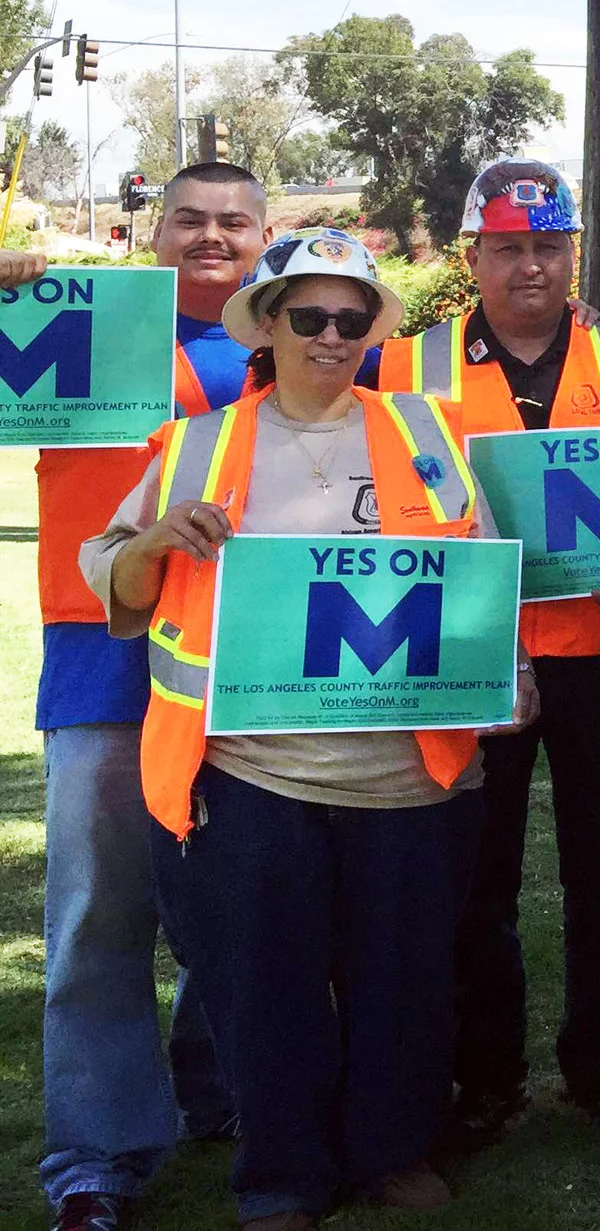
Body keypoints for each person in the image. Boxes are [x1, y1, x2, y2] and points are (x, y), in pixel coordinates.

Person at [84, 228, 517, 1230]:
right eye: (309, 316)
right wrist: (155, 535)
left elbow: (480, 575)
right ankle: (280, 1176)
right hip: (247, 775)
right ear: (268, 325)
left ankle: (391, 1150)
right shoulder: (200, 443)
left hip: (408, 775)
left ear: (372, 329)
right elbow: (107, 572)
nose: (331, 335)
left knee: (403, 980)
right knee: (262, 986)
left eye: (351, 319)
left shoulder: (427, 434)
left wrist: (516, 672)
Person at [378, 159, 600, 1151]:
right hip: (472, 655)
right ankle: (485, 1077)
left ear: (572, 251)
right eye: (508, 248)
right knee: (476, 881)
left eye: (549, 246)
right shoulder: (406, 365)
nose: (531, 268)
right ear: (474, 255)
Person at [31, 160, 261, 1231]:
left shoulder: (310, 335)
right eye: (189, 220)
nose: (210, 237)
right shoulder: (69, 323)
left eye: (233, 222)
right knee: (96, 914)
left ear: (263, 236)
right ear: (153, 231)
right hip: (103, 652)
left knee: (246, 896)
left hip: (253, 657)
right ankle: (96, 1151)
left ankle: (220, 1092)